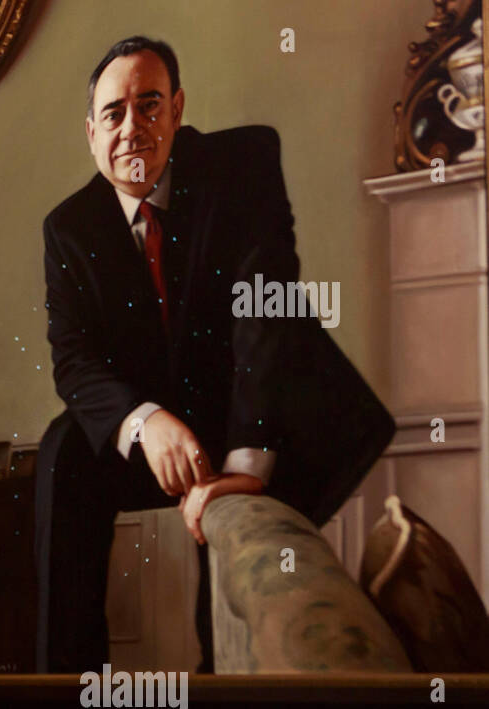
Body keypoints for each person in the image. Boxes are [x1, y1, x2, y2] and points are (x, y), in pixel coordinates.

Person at [34, 36, 394, 675]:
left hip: (260, 401)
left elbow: (265, 307)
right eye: (114, 114)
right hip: (161, 422)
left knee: (231, 552)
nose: (132, 128)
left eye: (149, 105)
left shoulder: (242, 163)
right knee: (63, 452)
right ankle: (70, 694)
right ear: (91, 134)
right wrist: (144, 422)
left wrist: (248, 461)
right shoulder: (68, 227)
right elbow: (74, 359)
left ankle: (223, 704)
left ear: (177, 109)